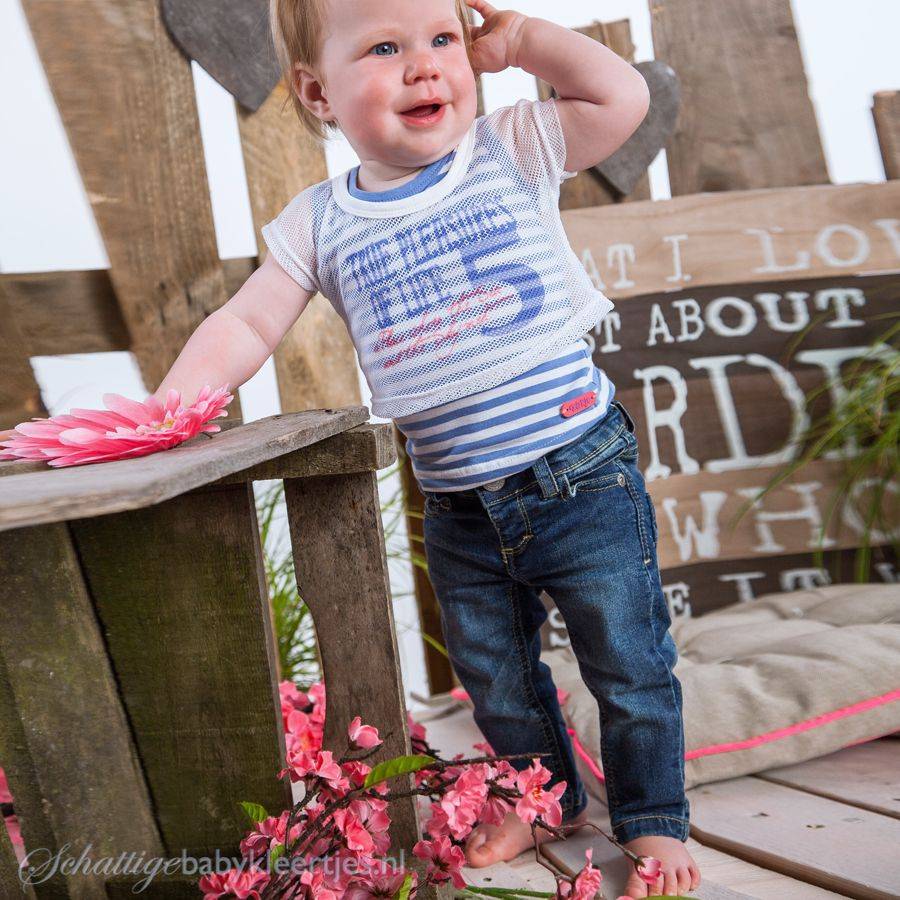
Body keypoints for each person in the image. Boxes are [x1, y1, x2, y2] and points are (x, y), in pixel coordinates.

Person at [153, 0, 700, 895]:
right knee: (496, 675)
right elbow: (247, 321)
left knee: (628, 661)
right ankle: (542, 800)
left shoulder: (511, 147)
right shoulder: (319, 222)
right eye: (384, 47)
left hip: (580, 475)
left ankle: (652, 819)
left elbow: (622, 99)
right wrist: (174, 406)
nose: (425, 65)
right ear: (317, 93)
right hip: (457, 504)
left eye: (443, 39)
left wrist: (521, 42)